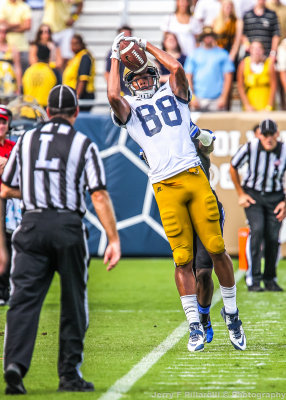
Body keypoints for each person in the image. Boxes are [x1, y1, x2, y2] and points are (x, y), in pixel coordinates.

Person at [107, 32, 246, 352]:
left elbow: (178, 69)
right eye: (136, 79)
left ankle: (232, 313)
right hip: (164, 185)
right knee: (182, 258)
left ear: (154, 75)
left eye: (145, 76)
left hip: (194, 177)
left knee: (216, 247)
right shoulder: (129, 111)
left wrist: (144, 46)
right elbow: (113, 94)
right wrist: (117, 55)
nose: (141, 82)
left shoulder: (175, 92)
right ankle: (194, 325)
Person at [1, 84, 121, 394]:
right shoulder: (83, 144)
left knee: (23, 299)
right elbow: (98, 194)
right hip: (68, 226)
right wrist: (113, 239)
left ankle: (15, 365)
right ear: (76, 112)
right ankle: (69, 373)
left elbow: (4, 188)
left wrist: (32, 193)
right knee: (73, 301)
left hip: (30, 224)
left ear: (48, 111)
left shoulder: (25, 141)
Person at [230, 119, 286, 292]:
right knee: (258, 230)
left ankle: (270, 279)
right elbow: (233, 167)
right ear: (260, 135)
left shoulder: (284, 150)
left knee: (272, 237)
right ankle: (253, 279)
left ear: (277, 134)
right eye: (265, 134)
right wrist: (241, 194)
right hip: (253, 195)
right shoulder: (250, 147)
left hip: (276, 197)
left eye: (272, 134)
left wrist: (285, 202)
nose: (269, 138)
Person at [184, 26, 235, 111]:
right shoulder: (194, 54)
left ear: (214, 37)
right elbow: (188, 76)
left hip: (217, 99)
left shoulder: (223, 54)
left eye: (210, 35)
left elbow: (228, 77)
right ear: (202, 38)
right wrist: (192, 97)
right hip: (198, 98)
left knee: (219, 124)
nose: (208, 38)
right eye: (205, 36)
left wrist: (224, 97)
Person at [0, 105, 16, 306]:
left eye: (3, 121)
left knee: (10, 244)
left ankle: (5, 289)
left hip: (11, 204)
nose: (0, 125)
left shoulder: (15, 146)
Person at [237, 41, 276, 111]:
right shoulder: (243, 64)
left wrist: (269, 106)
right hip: (250, 105)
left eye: (259, 48)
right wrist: (247, 105)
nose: (257, 51)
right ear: (250, 50)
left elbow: (273, 86)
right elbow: (240, 86)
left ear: (263, 50)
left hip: (266, 104)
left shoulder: (269, 64)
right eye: (254, 48)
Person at [42, 0, 83, 65]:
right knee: (47, 58)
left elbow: (81, 3)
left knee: (66, 57)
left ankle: (63, 75)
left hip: (65, 28)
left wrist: (74, 18)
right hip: (49, 29)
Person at [63, 34, 95, 112]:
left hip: (83, 96)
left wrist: (76, 98)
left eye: (76, 43)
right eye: (71, 44)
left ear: (81, 44)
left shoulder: (85, 57)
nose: (73, 46)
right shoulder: (76, 57)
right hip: (73, 96)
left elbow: (83, 79)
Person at [0, 0, 31, 73]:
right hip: (7, 48)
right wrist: (18, 24)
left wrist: (8, 27)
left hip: (22, 47)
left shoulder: (24, 5)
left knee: (23, 74)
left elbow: (27, 25)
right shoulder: (2, 4)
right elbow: (2, 23)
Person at [105, 25, 133, 96]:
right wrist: (114, 89)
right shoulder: (113, 53)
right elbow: (107, 73)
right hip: (120, 90)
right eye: (124, 36)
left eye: (128, 35)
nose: (126, 38)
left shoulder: (136, 51)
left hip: (133, 90)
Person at [0, 23, 22, 96]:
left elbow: (17, 67)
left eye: (4, 31)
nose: (2, 34)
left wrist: (19, 86)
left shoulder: (12, 48)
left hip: (8, 81)